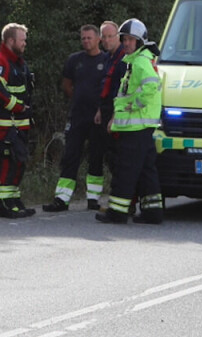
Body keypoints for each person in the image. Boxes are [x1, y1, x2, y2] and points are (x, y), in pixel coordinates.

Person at [96, 18, 164, 225]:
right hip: (142, 127)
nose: (126, 43)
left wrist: (130, 106)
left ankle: (117, 213)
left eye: (130, 40)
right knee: (146, 171)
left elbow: (151, 88)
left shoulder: (140, 62)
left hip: (136, 126)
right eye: (124, 39)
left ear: (140, 42)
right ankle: (153, 212)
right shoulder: (137, 60)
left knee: (125, 170)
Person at [42, 25, 108, 212]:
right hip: (77, 116)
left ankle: (93, 198)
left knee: (96, 157)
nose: (86, 41)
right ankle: (62, 199)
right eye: (83, 38)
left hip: (97, 118)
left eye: (89, 38)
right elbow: (67, 85)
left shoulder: (106, 60)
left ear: (98, 39)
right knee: (70, 156)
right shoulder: (74, 60)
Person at [0, 23, 36, 219]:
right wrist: (19, 107)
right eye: (22, 40)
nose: (25, 43)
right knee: (5, 164)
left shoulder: (19, 62)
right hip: (4, 125)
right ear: (10, 41)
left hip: (19, 125)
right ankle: (2, 205)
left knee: (18, 164)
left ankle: (14, 201)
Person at [90, 21, 127, 210]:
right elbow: (105, 86)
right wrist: (99, 110)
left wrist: (114, 116)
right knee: (109, 157)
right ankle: (116, 200)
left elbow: (121, 92)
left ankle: (121, 202)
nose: (106, 40)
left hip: (117, 113)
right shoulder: (108, 58)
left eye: (109, 36)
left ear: (118, 37)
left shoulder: (123, 59)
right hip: (105, 110)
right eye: (103, 37)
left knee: (117, 159)